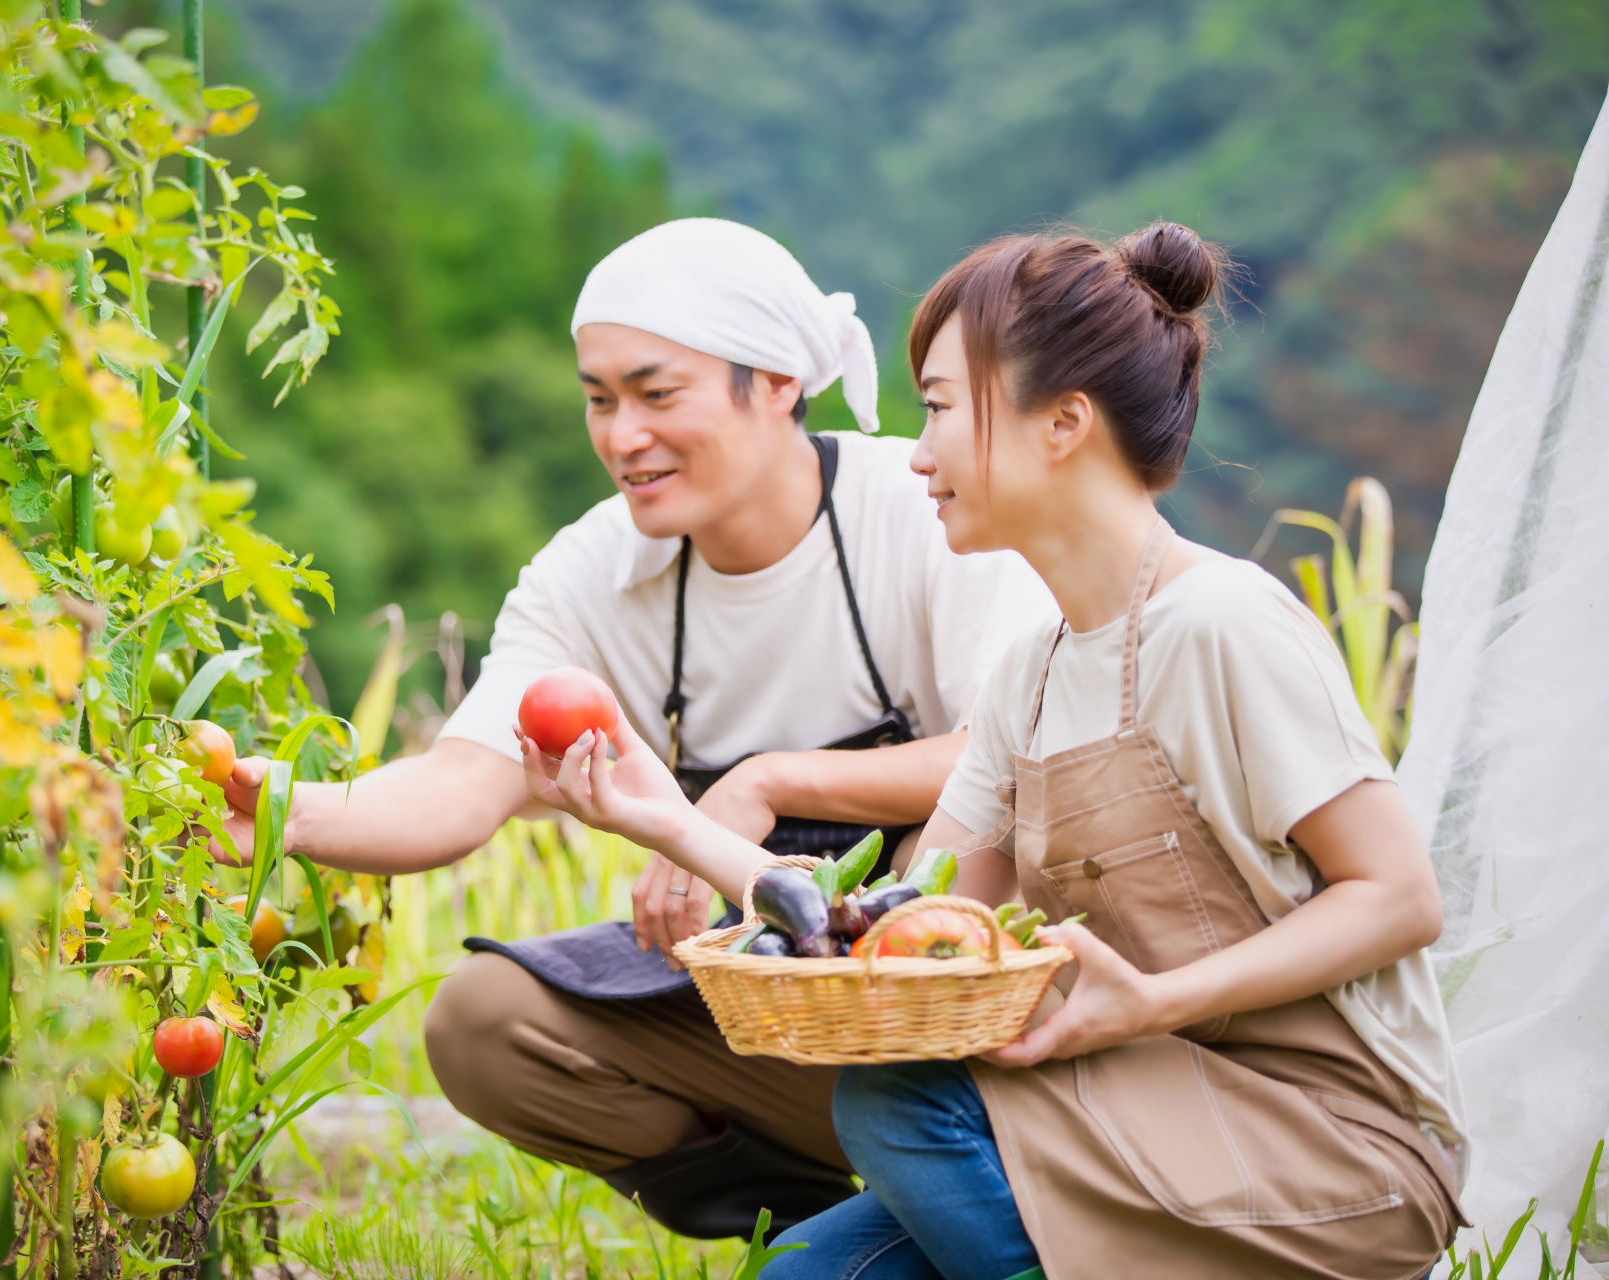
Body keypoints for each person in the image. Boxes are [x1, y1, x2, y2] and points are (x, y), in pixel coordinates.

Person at [520, 222, 1468, 1279]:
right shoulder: (1027, 669)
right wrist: (667, 818)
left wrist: (1153, 1003)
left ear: (1063, 422)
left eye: (937, 407)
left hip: (1328, 1149)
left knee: (898, 1101)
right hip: (1127, 1113)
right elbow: (902, 932)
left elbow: (1396, 896)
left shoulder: (1220, 623)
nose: (916, 453)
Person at [221, 218, 1057, 1239]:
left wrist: (764, 779)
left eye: (659, 394)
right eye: (599, 400)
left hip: (953, 1010)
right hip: (761, 1003)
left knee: (963, 857)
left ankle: (958, 1179)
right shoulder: (594, 570)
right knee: (487, 1022)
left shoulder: (922, 509)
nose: (622, 435)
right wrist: (282, 812)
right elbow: (462, 782)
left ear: (781, 381)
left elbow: (1013, 755)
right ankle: (810, 1219)